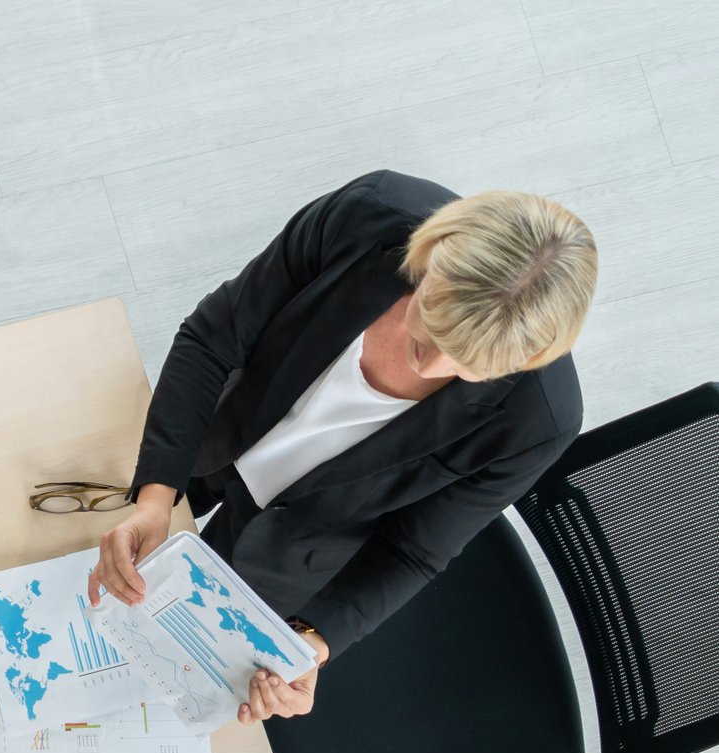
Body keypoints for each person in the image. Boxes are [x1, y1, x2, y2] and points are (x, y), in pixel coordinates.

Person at [91, 172, 595, 722]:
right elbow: (214, 338)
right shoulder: (367, 215)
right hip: (217, 429)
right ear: (430, 258)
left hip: (297, 546)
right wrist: (156, 498)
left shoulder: (538, 421)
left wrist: (309, 645)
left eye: (469, 367)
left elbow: (413, 551)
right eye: (428, 323)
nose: (430, 366)